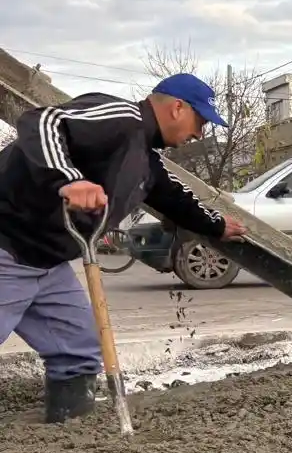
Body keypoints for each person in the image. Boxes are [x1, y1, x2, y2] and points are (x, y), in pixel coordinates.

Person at [0, 73, 247, 422]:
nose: (200, 134)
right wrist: (69, 179)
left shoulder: (145, 160)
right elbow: (44, 120)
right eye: (201, 121)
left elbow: (175, 199)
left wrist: (217, 226)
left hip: (47, 263)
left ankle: (70, 433)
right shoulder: (121, 117)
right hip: (7, 247)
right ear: (178, 108)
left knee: (80, 351)